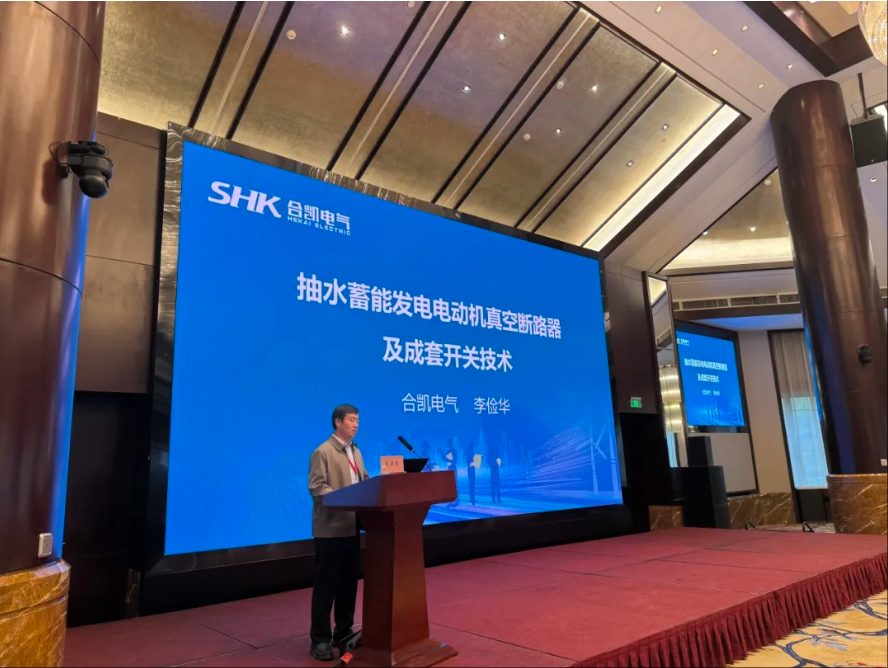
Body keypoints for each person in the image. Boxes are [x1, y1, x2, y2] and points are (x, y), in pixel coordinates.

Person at [308, 405, 369, 662]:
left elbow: (364, 480)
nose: (356, 424)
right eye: (351, 420)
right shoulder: (322, 452)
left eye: (358, 420)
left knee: (348, 584)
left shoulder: (356, 451)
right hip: (330, 530)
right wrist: (345, 496)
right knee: (326, 586)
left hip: (352, 527)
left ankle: (343, 632)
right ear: (337, 422)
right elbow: (316, 487)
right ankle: (320, 639)